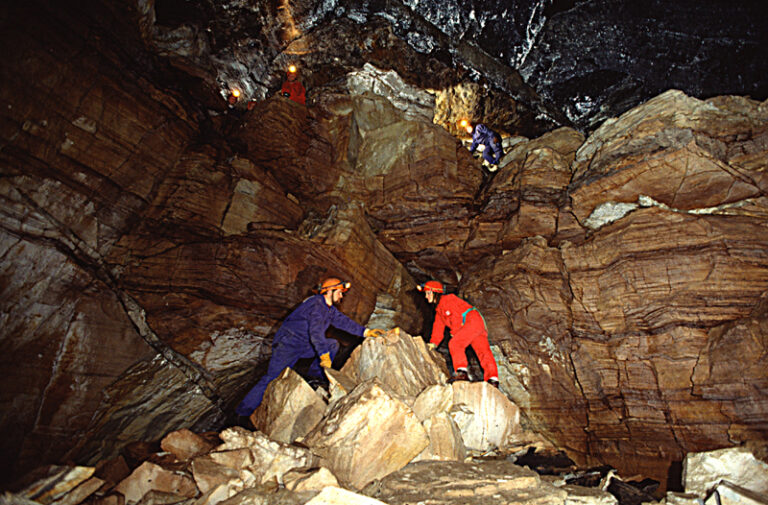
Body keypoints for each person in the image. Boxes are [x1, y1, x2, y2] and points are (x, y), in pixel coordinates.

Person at [235, 277, 383, 416]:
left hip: (305, 345)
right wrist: (323, 356)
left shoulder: (328, 309)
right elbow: (316, 332)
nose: (341, 296)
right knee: (273, 377)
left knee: (332, 344)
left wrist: (366, 332)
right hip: (288, 344)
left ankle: (316, 376)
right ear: (329, 291)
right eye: (339, 292)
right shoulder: (316, 304)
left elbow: (343, 322)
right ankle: (243, 411)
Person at [418, 280, 499, 388]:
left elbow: (456, 316)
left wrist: (455, 333)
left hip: (471, 320)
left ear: (436, 292)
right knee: (483, 351)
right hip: (476, 323)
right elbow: (438, 328)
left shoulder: (448, 299)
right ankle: (492, 379)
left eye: (428, 293)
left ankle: (461, 372)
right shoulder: (439, 311)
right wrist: (433, 343)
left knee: (455, 344)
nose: (426, 296)